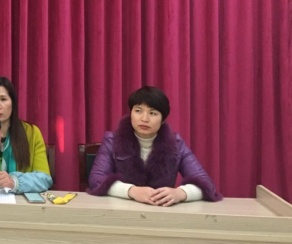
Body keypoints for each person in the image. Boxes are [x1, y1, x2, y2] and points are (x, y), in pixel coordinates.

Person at [88, 86, 222, 205]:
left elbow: (206, 184)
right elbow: (96, 179)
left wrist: (180, 193)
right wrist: (131, 191)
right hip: (121, 212)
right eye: (138, 111)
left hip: (162, 212)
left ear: (163, 119)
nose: (144, 119)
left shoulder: (176, 144)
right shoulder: (112, 141)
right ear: (131, 114)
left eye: (153, 113)